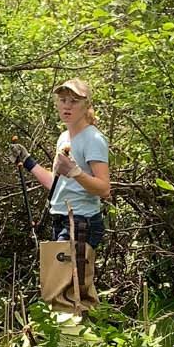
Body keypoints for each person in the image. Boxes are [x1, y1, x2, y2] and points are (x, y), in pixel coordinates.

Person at [26, 78, 112, 313]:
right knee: (64, 286)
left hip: (81, 222)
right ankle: (71, 341)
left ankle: (76, 342)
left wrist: (75, 172)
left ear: (86, 105)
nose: (67, 106)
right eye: (63, 100)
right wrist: (28, 162)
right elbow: (57, 185)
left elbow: (104, 188)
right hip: (61, 218)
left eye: (74, 101)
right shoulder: (64, 138)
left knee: (70, 289)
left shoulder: (93, 139)